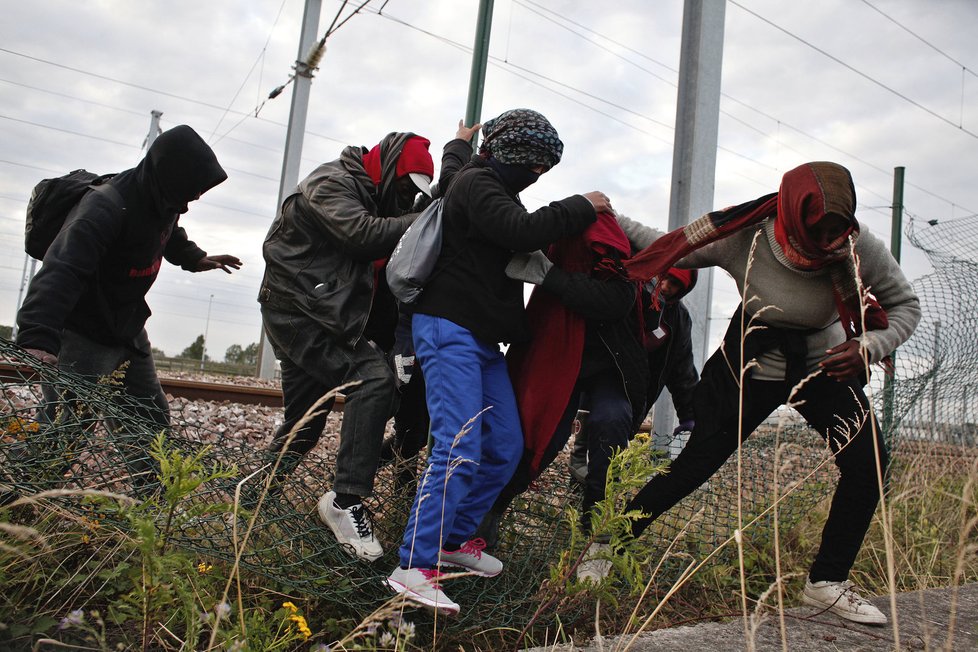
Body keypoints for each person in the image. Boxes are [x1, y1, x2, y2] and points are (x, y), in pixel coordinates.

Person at [611, 161, 920, 625]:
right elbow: (667, 243)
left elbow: (904, 306)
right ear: (795, 216)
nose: (834, 240)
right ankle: (607, 545)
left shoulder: (859, 245)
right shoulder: (745, 234)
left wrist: (866, 347)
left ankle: (827, 583)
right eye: (823, 230)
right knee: (694, 467)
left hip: (825, 366)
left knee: (868, 465)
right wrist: (601, 213)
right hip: (750, 366)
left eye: (842, 228)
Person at [385, 108, 613, 614]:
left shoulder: (476, 177)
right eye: (536, 166)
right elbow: (520, 230)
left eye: (547, 171)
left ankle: (452, 540)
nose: (538, 176)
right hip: (448, 327)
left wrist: (457, 142)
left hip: (483, 340)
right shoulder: (479, 184)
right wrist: (582, 205)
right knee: (459, 445)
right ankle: (414, 565)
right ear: (513, 156)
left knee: (505, 445)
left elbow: (454, 169)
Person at [257, 123, 478, 562]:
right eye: (402, 189)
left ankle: (252, 500)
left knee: (307, 420)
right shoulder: (331, 182)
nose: (405, 199)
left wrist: (459, 150)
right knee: (373, 379)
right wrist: (430, 219)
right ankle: (344, 502)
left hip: (326, 314)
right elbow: (362, 234)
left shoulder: (380, 192)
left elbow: (433, 202)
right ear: (389, 167)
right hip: (301, 312)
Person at [15, 124, 239, 476]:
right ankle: (21, 507)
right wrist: (37, 335)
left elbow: (169, 233)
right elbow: (63, 268)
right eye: (191, 191)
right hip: (85, 332)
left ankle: (152, 508)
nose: (191, 200)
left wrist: (195, 258)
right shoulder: (104, 206)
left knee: (150, 419)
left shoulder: (163, 197)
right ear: (170, 175)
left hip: (128, 328)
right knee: (64, 433)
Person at [473, 212, 649, 583]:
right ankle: (478, 533)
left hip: (609, 368)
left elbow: (616, 302)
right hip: (556, 355)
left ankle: (596, 536)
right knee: (534, 436)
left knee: (610, 422)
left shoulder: (624, 274)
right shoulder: (557, 247)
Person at [567, 266, 699, 483]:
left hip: (632, 390)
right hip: (598, 373)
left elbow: (682, 368)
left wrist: (689, 415)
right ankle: (580, 463)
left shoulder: (678, 320)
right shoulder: (630, 292)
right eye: (663, 277)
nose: (665, 286)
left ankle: (599, 498)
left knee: (611, 434)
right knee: (596, 425)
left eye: (674, 284)